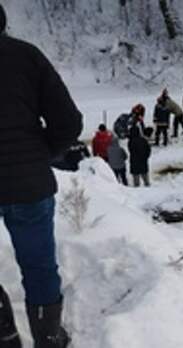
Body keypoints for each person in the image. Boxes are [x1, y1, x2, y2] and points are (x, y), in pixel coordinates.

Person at [0, 4, 82, 347]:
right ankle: (48, 337)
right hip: (28, 184)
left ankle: (4, 335)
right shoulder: (26, 56)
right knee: (39, 266)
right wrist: (39, 155)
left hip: (27, 178)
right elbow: (68, 122)